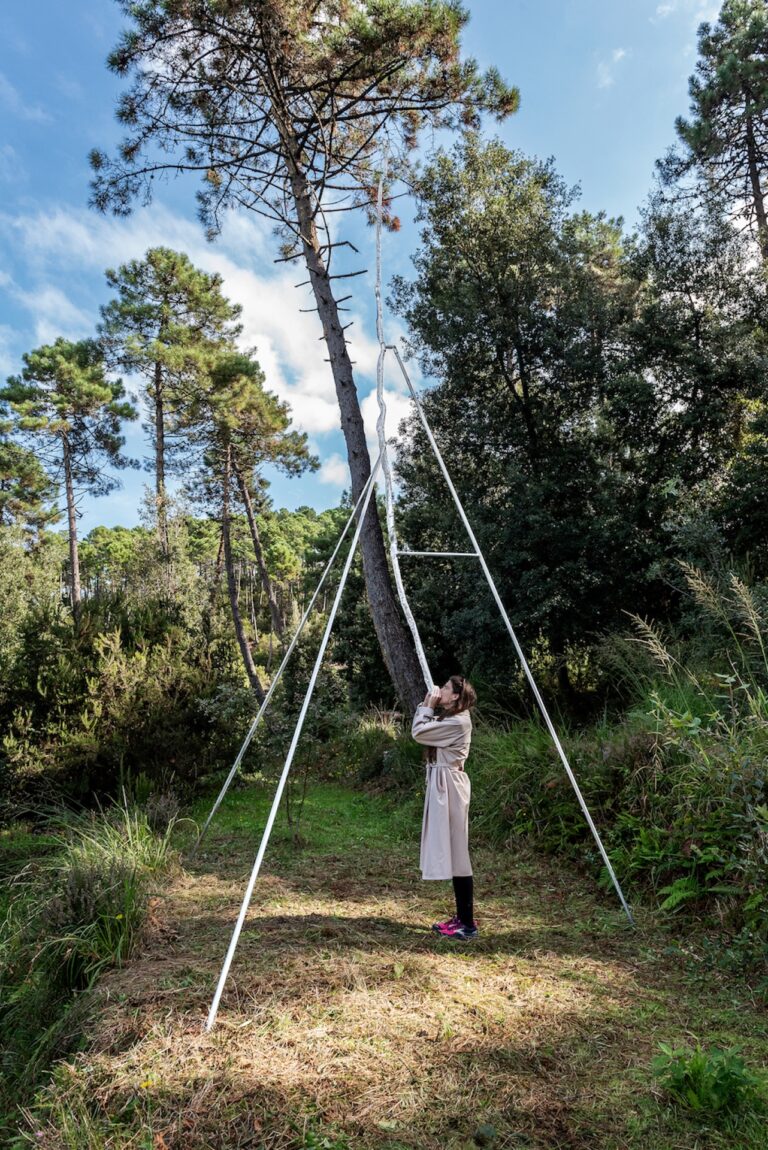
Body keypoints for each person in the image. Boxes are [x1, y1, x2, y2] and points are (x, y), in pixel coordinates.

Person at [412, 675, 478, 940]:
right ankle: (461, 917)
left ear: (455, 697)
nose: (441, 690)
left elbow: (419, 732)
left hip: (450, 786)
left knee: (459, 854)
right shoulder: (451, 718)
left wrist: (427, 705)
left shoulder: (458, 722)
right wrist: (429, 707)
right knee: (453, 852)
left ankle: (467, 924)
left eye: (447, 688)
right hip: (444, 783)